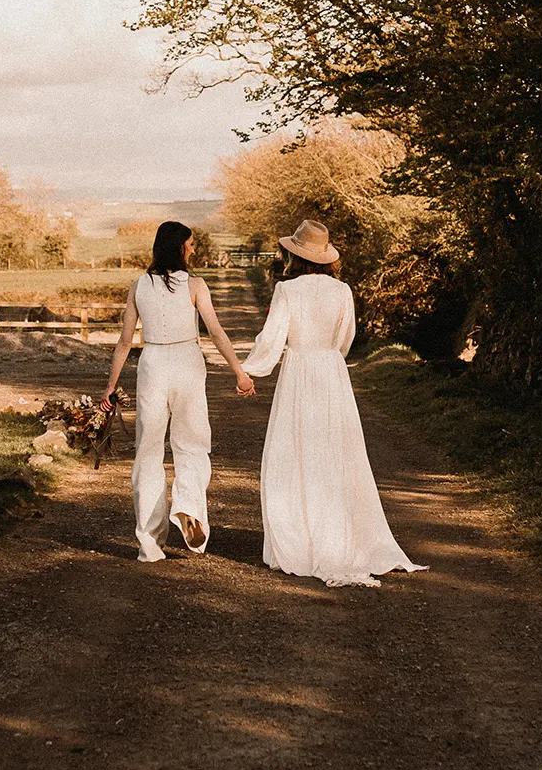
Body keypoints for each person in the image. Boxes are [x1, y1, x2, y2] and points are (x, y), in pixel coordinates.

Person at [240, 220, 426, 587]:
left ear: (293, 254)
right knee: (335, 453)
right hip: (330, 372)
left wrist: (249, 370)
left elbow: (272, 338)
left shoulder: (286, 290)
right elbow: (346, 339)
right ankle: (340, 535)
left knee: (295, 453)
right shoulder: (342, 291)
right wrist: (328, 358)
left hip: (298, 373)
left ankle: (299, 538)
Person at [102, 221, 256, 562]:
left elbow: (125, 340)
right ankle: (187, 508)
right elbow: (215, 332)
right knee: (192, 444)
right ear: (178, 247)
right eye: (189, 244)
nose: (193, 249)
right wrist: (239, 372)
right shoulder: (196, 285)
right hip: (187, 361)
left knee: (149, 449)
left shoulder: (139, 285)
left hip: (153, 363)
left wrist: (111, 386)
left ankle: (149, 540)